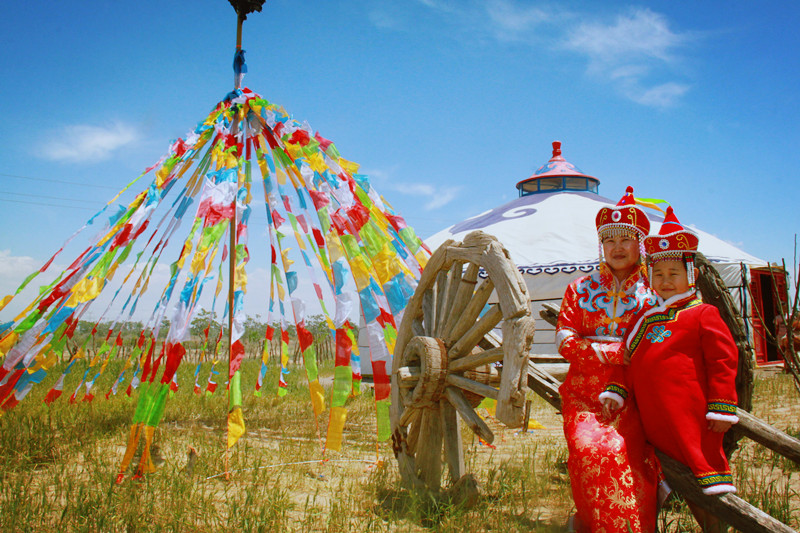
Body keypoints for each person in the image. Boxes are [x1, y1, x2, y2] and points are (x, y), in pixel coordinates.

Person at [600, 206, 739, 532]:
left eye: (673, 274)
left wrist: (722, 406)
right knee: (645, 479)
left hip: (687, 421)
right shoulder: (645, 319)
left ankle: (714, 528)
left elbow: (723, 360)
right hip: (650, 421)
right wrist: (615, 391)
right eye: (658, 274)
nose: (665, 281)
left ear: (690, 275)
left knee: (700, 483)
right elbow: (626, 359)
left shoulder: (702, 314)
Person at [557, 186, 661, 533]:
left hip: (637, 397)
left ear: (640, 244)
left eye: (625, 239)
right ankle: (589, 523)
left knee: (632, 459)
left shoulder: (656, 292)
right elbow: (565, 340)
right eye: (609, 240)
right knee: (589, 450)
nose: (616, 248)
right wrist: (616, 353)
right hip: (583, 395)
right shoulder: (580, 289)